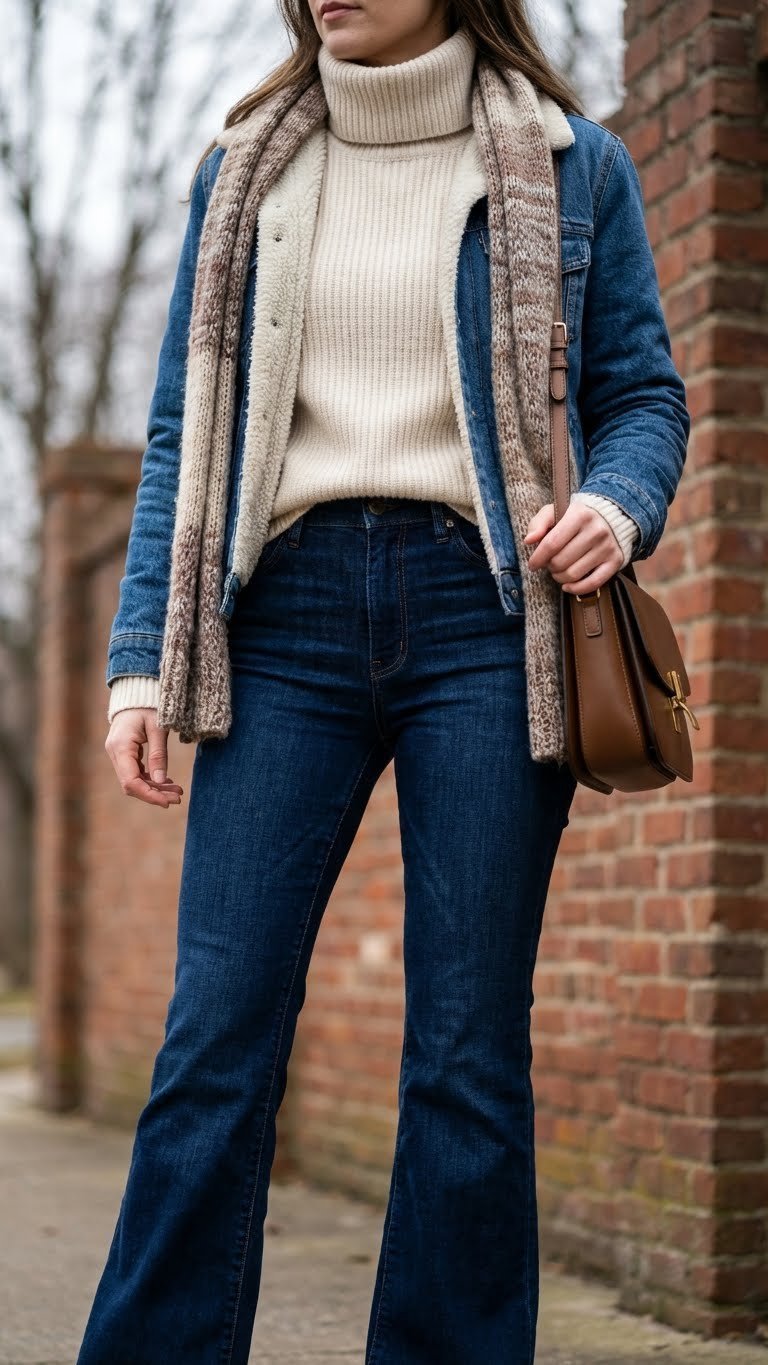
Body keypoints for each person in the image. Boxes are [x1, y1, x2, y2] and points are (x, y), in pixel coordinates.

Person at [78, 1, 689, 1362]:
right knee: (213, 1035)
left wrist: (617, 499)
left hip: (488, 612)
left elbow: (645, 390)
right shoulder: (244, 163)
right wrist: (137, 665)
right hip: (280, 614)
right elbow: (186, 423)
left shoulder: (572, 161)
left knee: (467, 1052)